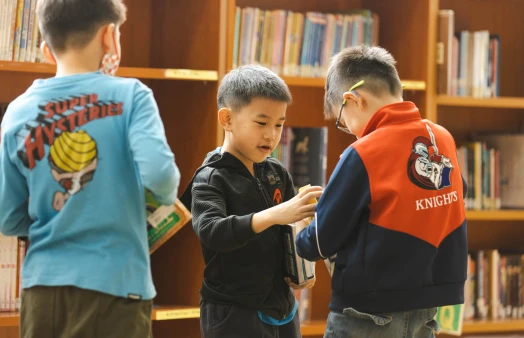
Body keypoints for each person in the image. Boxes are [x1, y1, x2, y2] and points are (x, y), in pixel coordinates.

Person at [0, 0, 180, 337]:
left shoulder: (17, 111)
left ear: (46, 48)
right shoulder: (132, 96)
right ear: (109, 35)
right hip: (116, 286)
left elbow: (7, 220)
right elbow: (162, 179)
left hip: (41, 290)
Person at [295, 45, 468, 338]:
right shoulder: (443, 137)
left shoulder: (364, 152)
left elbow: (320, 243)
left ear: (353, 100)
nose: (349, 130)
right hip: (427, 309)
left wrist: (302, 226)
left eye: (342, 120)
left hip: (366, 311)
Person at [180, 64, 322, 338]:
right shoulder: (210, 177)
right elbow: (213, 232)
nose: (271, 134)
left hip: (282, 308)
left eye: (279, 124)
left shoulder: (276, 172)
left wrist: (302, 269)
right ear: (227, 119)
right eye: (261, 123)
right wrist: (274, 214)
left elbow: (291, 231)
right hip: (234, 311)